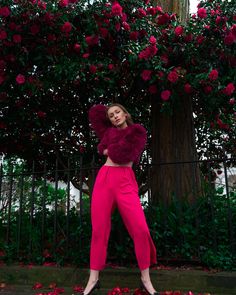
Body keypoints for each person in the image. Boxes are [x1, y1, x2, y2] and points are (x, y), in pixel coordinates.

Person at [83, 103, 158, 295]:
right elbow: (101, 146)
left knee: (140, 229)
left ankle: (145, 279)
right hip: (105, 179)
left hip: (125, 180)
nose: (115, 116)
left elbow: (123, 154)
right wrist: (105, 149)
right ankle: (93, 279)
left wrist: (109, 150)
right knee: (99, 229)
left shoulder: (138, 131)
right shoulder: (109, 133)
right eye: (111, 115)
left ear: (125, 113)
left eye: (117, 112)